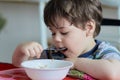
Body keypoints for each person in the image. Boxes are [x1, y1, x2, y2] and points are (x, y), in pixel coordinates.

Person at [12, 0, 120, 79]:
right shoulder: (54, 54)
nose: (56, 39)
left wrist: (75, 62)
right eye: (53, 32)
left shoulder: (104, 52)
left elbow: (114, 73)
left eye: (64, 32)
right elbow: (21, 67)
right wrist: (21, 51)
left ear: (89, 28)